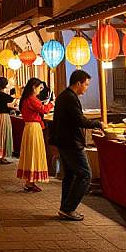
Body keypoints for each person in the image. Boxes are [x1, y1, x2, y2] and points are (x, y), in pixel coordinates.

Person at [50, 70, 102, 221]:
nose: (86, 88)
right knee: (85, 175)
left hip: (63, 141)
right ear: (78, 83)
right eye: (86, 84)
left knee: (70, 176)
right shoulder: (70, 98)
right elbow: (79, 120)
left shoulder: (63, 96)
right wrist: (98, 124)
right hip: (71, 142)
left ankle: (64, 209)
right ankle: (68, 208)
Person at [16, 78, 54, 192]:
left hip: (29, 127)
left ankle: (30, 181)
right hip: (33, 128)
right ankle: (30, 181)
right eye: (39, 88)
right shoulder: (32, 99)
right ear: (34, 87)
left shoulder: (27, 99)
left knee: (30, 153)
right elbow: (44, 110)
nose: (40, 90)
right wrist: (52, 103)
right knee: (34, 153)